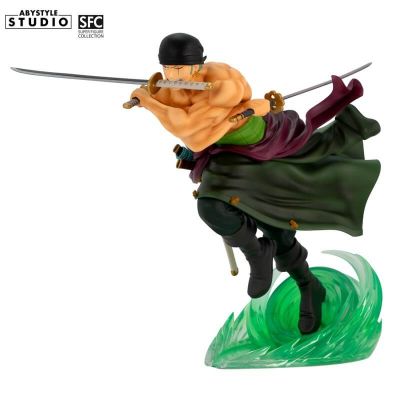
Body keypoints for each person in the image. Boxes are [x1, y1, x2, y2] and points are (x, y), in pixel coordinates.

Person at [129, 33, 381, 335]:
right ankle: (265, 257)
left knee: (272, 220)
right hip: (224, 154)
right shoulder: (173, 85)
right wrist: (154, 94)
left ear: (198, 65)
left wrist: (150, 103)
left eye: (180, 68)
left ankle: (300, 281)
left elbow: (193, 134)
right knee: (216, 206)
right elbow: (180, 116)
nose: (174, 75)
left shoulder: (223, 82)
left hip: (258, 146)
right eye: (168, 68)